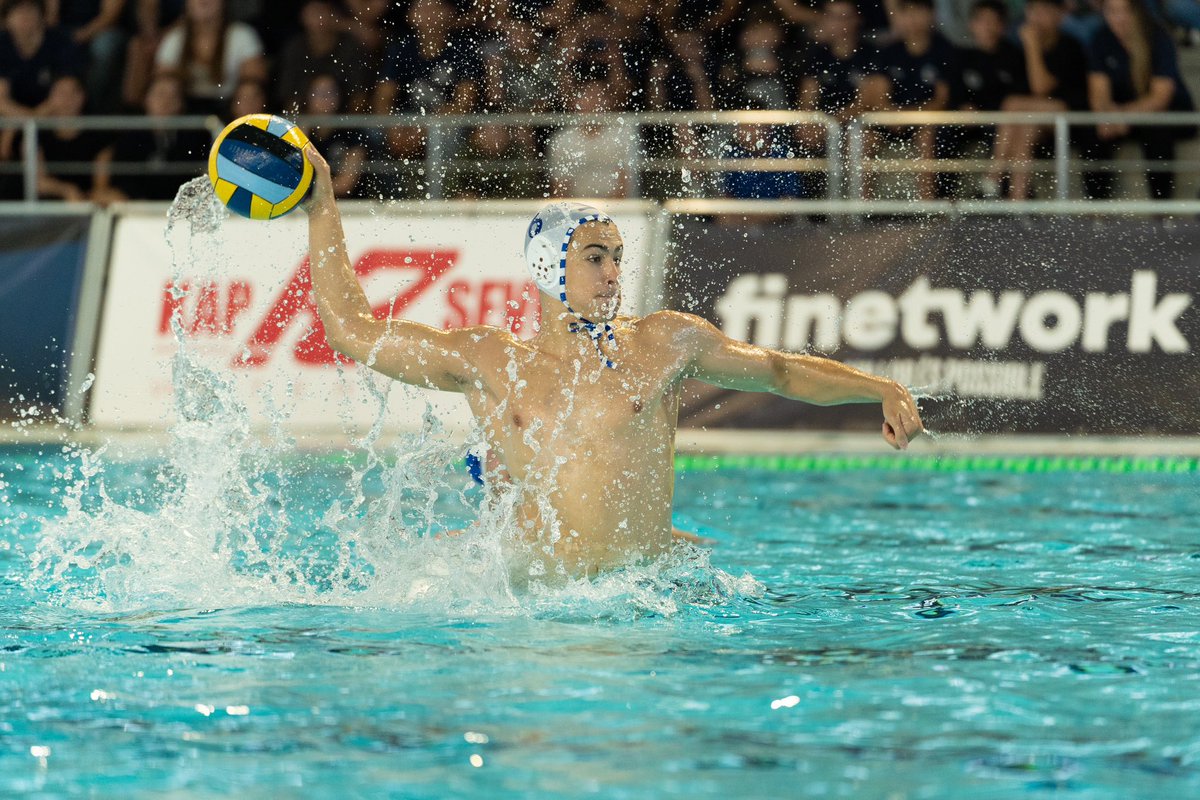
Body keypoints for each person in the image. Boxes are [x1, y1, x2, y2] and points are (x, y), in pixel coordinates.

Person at [301, 144, 925, 580]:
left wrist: (879, 387)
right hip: (544, 602)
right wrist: (323, 205)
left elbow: (778, 370)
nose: (614, 274)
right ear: (549, 265)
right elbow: (352, 330)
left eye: (618, 257)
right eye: (596, 257)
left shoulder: (663, 343)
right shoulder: (490, 360)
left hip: (634, 593)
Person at [1082, 0, 1195, 199]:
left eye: (1125, 11)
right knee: (1093, 132)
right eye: (1113, 12)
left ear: (1137, 13)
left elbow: (1160, 97)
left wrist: (1122, 116)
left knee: (1157, 131)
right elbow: (1098, 93)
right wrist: (1108, 117)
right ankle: (1095, 210)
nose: (1120, 18)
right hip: (1123, 115)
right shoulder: (1101, 38)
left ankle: (1160, 210)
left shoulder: (1157, 37)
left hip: (1163, 113)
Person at [984, 0, 1089, 199]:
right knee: (1025, 130)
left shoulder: (1069, 47)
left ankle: (993, 175)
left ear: (1059, 16)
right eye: (1033, 11)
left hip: (1069, 119)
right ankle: (1018, 204)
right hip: (1035, 121)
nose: (1037, 18)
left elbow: (1041, 88)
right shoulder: (1017, 51)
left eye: (1045, 10)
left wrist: (1032, 46)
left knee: (1012, 105)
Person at [153, 0, 266, 114]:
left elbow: (255, 79)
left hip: (229, 105)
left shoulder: (242, 35)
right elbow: (162, 78)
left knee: (250, 92)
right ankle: (164, 131)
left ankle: (246, 130)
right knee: (163, 89)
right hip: (186, 106)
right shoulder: (175, 38)